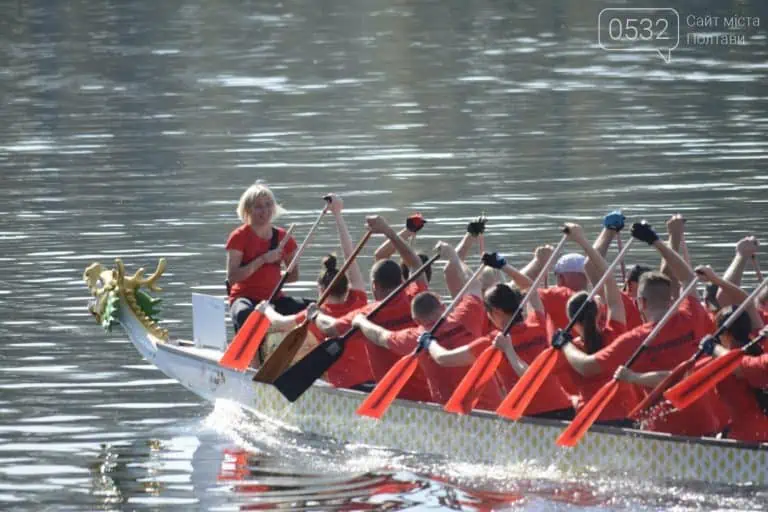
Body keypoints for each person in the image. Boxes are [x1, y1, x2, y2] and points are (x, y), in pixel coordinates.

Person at [564, 219, 728, 437]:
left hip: (662, 433)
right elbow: (688, 278)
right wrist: (656, 241)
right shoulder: (691, 315)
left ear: (640, 302)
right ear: (670, 297)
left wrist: (564, 344)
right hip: (705, 424)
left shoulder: (635, 339)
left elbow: (587, 366)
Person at [309, 215, 430, 398]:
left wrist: (315, 315)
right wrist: (389, 231)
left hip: (392, 397)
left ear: (374, 286)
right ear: (401, 281)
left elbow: (331, 328)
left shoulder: (367, 314)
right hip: (428, 393)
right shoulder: (417, 297)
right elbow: (416, 264)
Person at [351, 242, 485, 404]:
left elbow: (380, 336)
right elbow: (475, 286)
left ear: (416, 321)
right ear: (443, 307)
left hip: (449, 413)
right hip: (487, 409)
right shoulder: (467, 314)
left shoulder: (416, 336)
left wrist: (360, 321)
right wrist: (453, 257)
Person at [260, 195, 368, 363]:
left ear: (320, 288)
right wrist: (338, 215)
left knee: (274, 337)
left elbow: (279, 322)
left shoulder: (316, 315)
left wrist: (266, 309)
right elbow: (350, 256)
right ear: (347, 287)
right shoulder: (360, 302)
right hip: (368, 379)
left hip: (336, 381)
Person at [553, 223, 641, 426]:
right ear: (600, 311)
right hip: (627, 419)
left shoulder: (569, 349)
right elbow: (609, 281)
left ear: (571, 321)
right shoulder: (615, 333)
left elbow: (579, 370)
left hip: (589, 421)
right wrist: (583, 241)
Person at [225, 182, 304, 333]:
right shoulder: (238, 237)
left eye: (268, 205)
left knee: (313, 309)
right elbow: (232, 278)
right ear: (248, 210)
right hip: (245, 298)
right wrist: (263, 260)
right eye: (258, 206)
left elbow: (294, 276)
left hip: (274, 298)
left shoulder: (283, 237)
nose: (265, 211)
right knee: (244, 314)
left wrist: (273, 278)